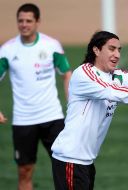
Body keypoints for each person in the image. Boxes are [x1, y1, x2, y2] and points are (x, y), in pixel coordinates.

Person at [51, 30, 128, 190]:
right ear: (96, 50)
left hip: (86, 161)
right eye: (111, 49)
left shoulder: (116, 75)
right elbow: (111, 91)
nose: (117, 55)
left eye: (119, 50)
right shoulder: (84, 74)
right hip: (70, 159)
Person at [0, 3, 72, 190]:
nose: (24, 24)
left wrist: (72, 106)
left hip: (53, 118)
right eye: (21, 21)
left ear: (37, 21)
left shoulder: (51, 46)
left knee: (66, 168)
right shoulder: (7, 50)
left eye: (28, 21)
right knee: (24, 171)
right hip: (23, 120)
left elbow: (66, 74)